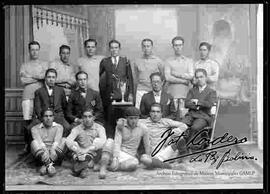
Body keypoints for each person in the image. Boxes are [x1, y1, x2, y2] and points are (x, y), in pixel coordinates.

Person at [98, 107, 151, 179]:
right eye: (131, 118)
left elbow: (147, 145)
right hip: (118, 151)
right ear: (126, 118)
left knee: (134, 164)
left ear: (139, 118)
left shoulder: (143, 128)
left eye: (136, 118)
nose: (133, 121)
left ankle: (111, 167)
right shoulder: (121, 125)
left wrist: (148, 157)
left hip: (129, 155)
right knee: (109, 141)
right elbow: (117, 142)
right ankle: (103, 169)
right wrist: (115, 158)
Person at [99, 39, 134, 138]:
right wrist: (103, 96)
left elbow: (130, 78)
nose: (114, 50)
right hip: (109, 96)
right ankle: (110, 140)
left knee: (123, 119)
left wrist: (130, 93)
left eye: (116, 48)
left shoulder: (125, 61)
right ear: (109, 49)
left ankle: (124, 140)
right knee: (110, 120)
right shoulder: (104, 62)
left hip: (123, 96)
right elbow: (101, 81)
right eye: (112, 48)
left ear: (119, 49)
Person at [19, 41, 49, 155]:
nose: (34, 52)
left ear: (39, 50)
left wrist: (30, 76)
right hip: (27, 95)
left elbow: (44, 77)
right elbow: (23, 80)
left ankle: (40, 144)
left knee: (41, 119)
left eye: (36, 49)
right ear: (29, 51)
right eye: (32, 49)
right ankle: (27, 146)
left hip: (41, 96)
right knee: (27, 121)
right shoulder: (24, 65)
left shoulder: (44, 65)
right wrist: (37, 77)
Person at [139, 103, 188, 169]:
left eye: (158, 112)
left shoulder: (166, 121)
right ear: (150, 113)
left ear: (161, 113)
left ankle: (183, 158)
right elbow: (128, 121)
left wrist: (177, 130)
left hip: (164, 152)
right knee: (144, 159)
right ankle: (171, 167)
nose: (155, 114)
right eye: (153, 111)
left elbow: (184, 126)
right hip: (150, 155)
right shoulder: (142, 122)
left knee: (179, 137)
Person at [27, 68, 71, 137]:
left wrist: (63, 117)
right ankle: (31, 146)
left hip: (58, 116)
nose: (51, 79)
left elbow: (64, 106)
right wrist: (44, 118)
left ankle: (60, 145)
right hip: (43, 116)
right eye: (49, 77)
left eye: (53, 77)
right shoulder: (39, 91)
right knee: (29, 129)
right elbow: (38, 109)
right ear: (45, 78)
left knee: (67, 127)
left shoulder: (60, 90)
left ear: (55, 79)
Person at [181, 68, 217, 152]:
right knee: (181, 126)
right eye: (197, 77)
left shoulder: (211, 91)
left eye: (201, 77)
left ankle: (188, 148)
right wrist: (198, 106)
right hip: (191, 115)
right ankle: (182, 147)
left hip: (203, 116)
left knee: (195, 127)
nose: (199, 79)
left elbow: (209, 104)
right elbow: (187, 104)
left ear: (206, 78)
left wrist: (197, 102)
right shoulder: (192, 90)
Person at [65, 108, 106, 178]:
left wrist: (88, 150)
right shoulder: (77, 128)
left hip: (93, 153)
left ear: (94, 118)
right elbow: (68, 140)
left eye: (90, 117)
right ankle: (84, 168)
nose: (87, 119)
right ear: (82, 118)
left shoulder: (100, 128)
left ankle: (80, 167)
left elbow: (103, 141)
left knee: (101, 143)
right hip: (80, 153)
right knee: (73, 148)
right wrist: (77, 150)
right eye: (85, 117)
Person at [165, 36, 194, 119]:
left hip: (185, 94)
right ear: (173, 46)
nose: (178, 47)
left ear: (183, 46)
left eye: (180, 45)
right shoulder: (168, 61)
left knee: (184, 118)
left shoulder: (189, 61)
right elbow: (168, 77)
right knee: (172, 117)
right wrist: (183, 81)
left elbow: (191, 75)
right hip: (172, 94)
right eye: (176, 45)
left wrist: (176, 74)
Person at [30, 108, 65, 177]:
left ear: (53, 117)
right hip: (42, 153)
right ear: (42, 118)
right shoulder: (34, 128)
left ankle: (46, 165)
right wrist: (45, 151)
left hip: (54, 152)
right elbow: (40, 143)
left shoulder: (59, 127)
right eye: (46, 116)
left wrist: (52, 150)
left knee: (64, 140)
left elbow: (57, 141)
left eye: (50, 116)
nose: (48, 118)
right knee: (34, 142)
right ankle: (49, 165)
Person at [133, 38, 164, 108]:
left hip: (153, 91)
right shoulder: (137, 61)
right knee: (138, 112)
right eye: (144, 46)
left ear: (152, 47)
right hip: (141, 90)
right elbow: (135, 79)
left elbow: (163, 77)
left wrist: (159, 90)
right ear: (142, 48)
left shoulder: (158, 61)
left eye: (148, 46)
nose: (146, 48)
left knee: (154, 111)